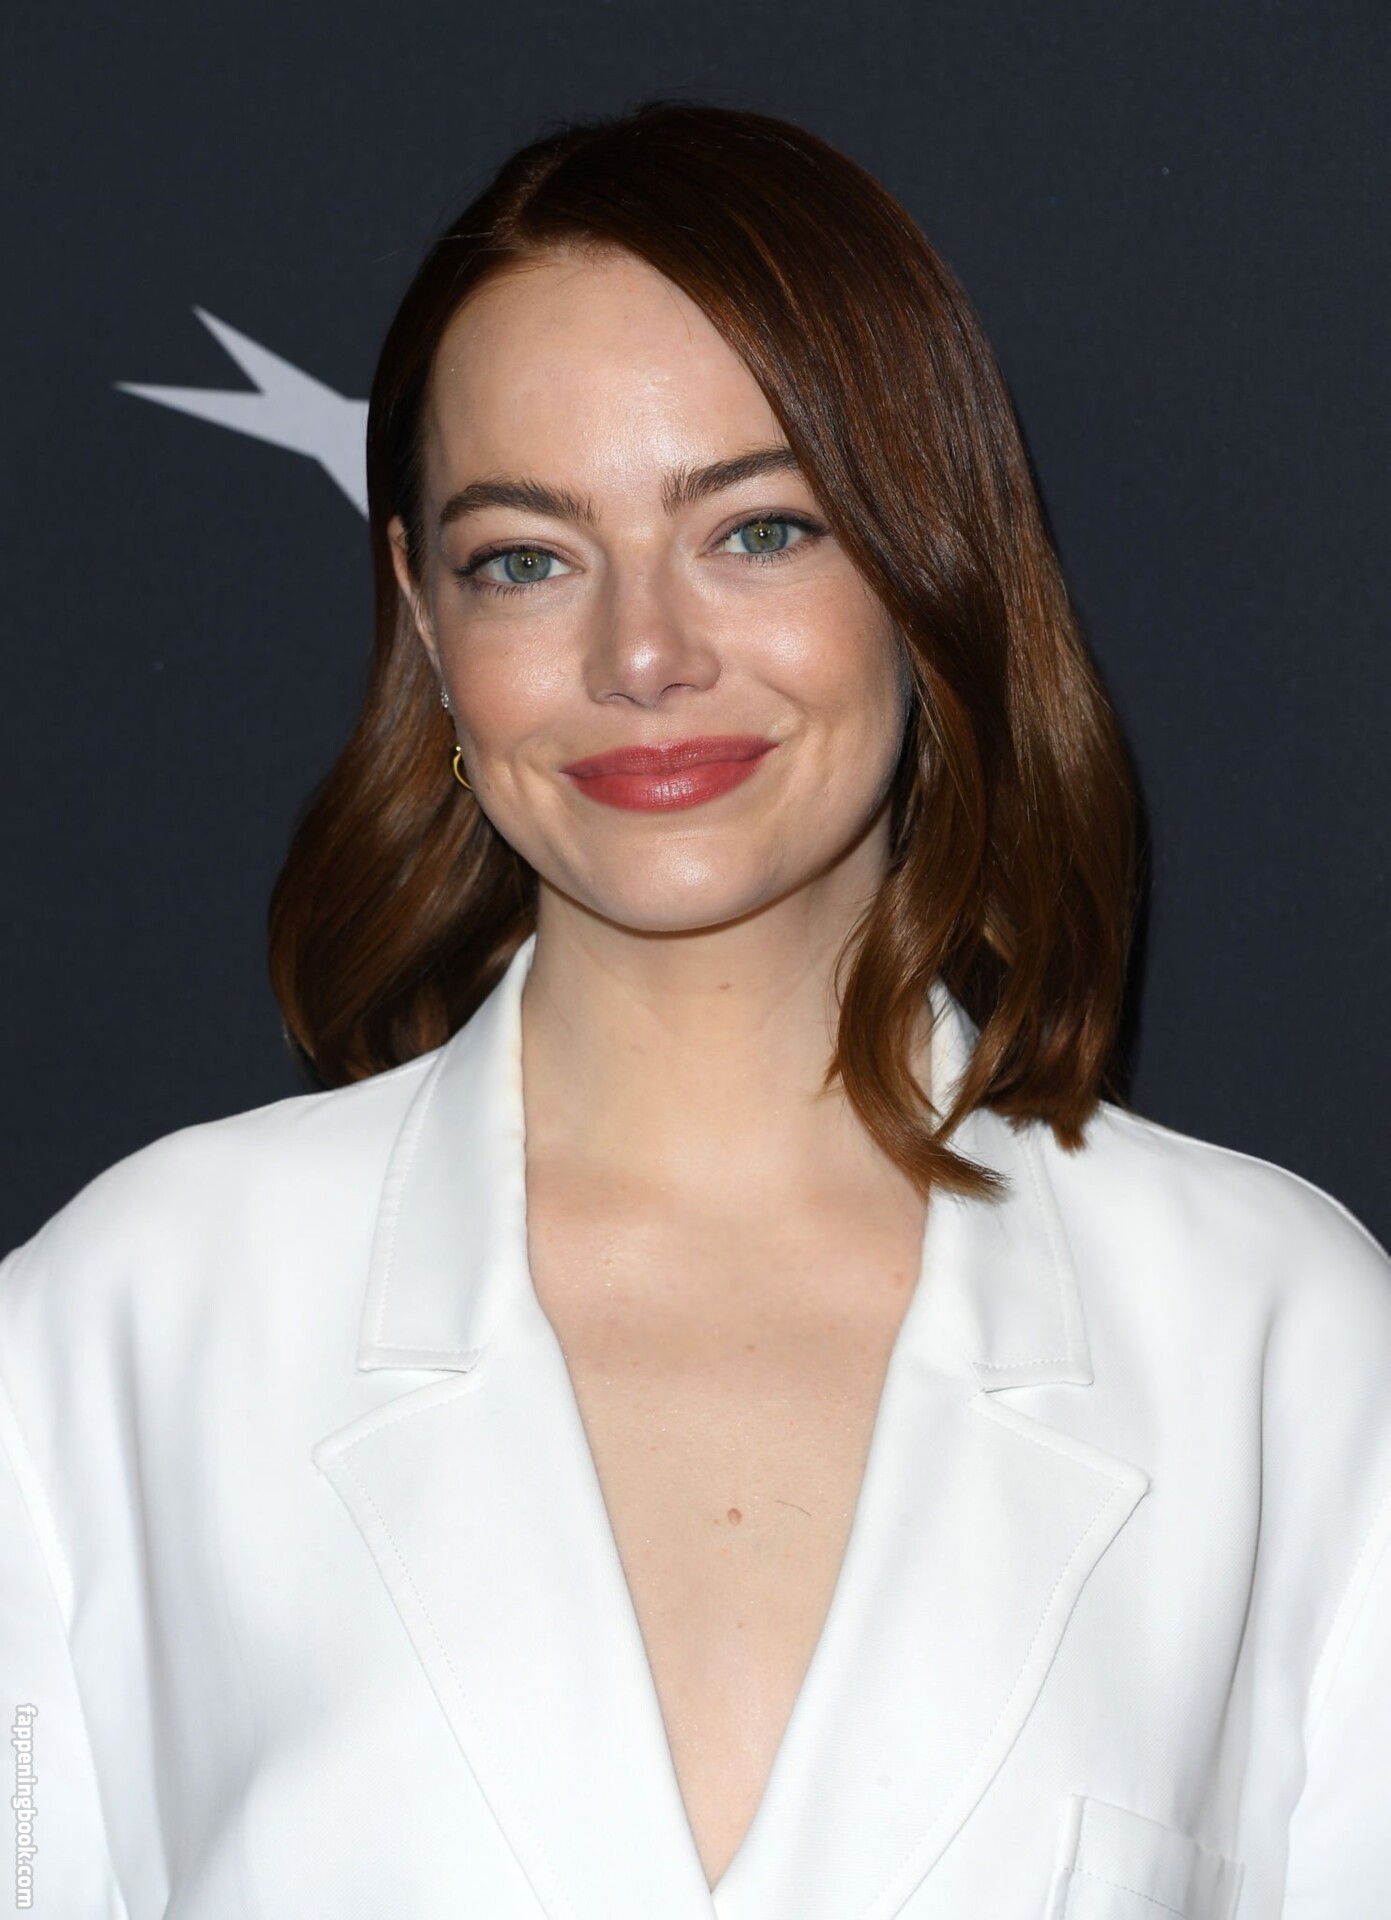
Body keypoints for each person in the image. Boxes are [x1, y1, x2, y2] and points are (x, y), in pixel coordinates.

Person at [1, 100, 1387, 1920]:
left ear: (928, 558)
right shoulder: (124, 1323)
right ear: (424, 619)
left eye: (760, 530)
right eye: (526, 556)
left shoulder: (1278, 1337)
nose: (642, 654)